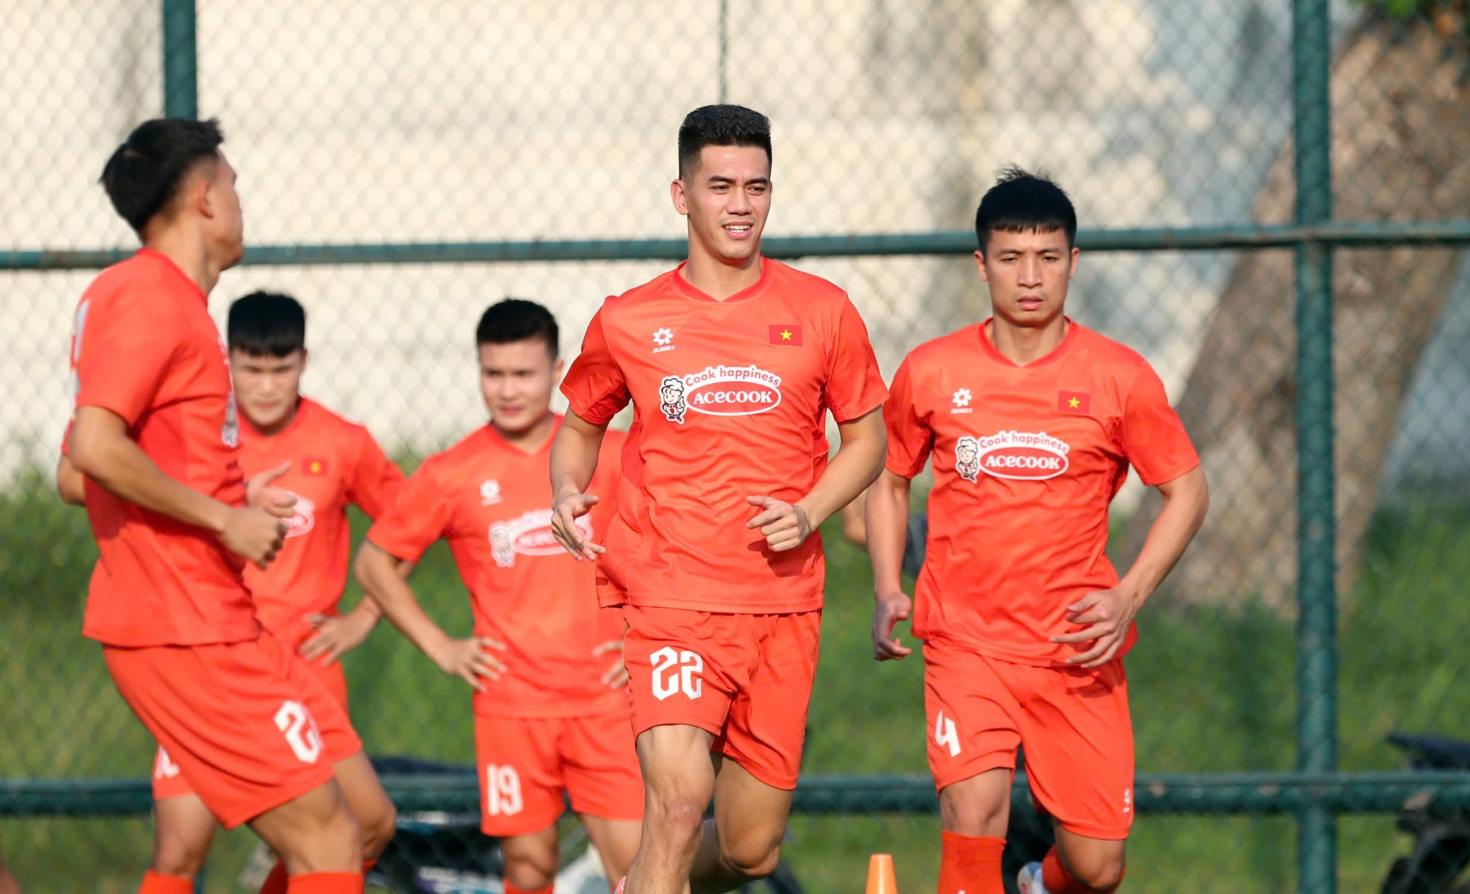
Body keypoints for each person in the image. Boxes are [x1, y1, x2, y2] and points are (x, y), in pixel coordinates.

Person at [549, 104, 889, 894]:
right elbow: (580, 426)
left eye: (756, 187)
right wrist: (566, 489)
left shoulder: (823, 310)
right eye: (721, 186)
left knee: (748, 850)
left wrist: (809, 511)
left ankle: (635, 884)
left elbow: (868, 442)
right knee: (676, 807)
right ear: (682, 195)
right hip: (670, 595)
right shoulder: (631, 319)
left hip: (782, 606)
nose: (741, 205)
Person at [59, 117, 386, 894]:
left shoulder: (150, 299)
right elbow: (91, 451)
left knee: (361, 824)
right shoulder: (151, 298)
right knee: (327, 842)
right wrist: (224, 519)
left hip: (215, 617)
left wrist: (232, 495)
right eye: (234, 185)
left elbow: (84, 471)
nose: (242, 202)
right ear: (205, 197)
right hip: (184, 624)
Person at [866, 168, 1209, 894]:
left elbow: (1186, 491)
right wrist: (888, 586)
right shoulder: (932, 371)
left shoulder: (1119, 377)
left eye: (1048, 257)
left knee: (1097, 866)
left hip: (1076, 645)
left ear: (1072, 262)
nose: (1030, 277)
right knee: (973, 814)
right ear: (981, 263)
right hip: (966, 643)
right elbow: (890, 479)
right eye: (1012, 258)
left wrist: (1128, 598)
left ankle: (1037, 883)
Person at [354, 299, 643, 894]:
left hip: (606, 702)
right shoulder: (451, 472)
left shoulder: (609, 455)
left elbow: (672, 548)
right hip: (512, 708)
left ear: (557, 371)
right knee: (528, 869)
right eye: (494, 373)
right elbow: (375, 563)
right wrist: (443, 648)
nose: (508, 390)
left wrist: (643, 640)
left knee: (637, 866)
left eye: (524, 374)